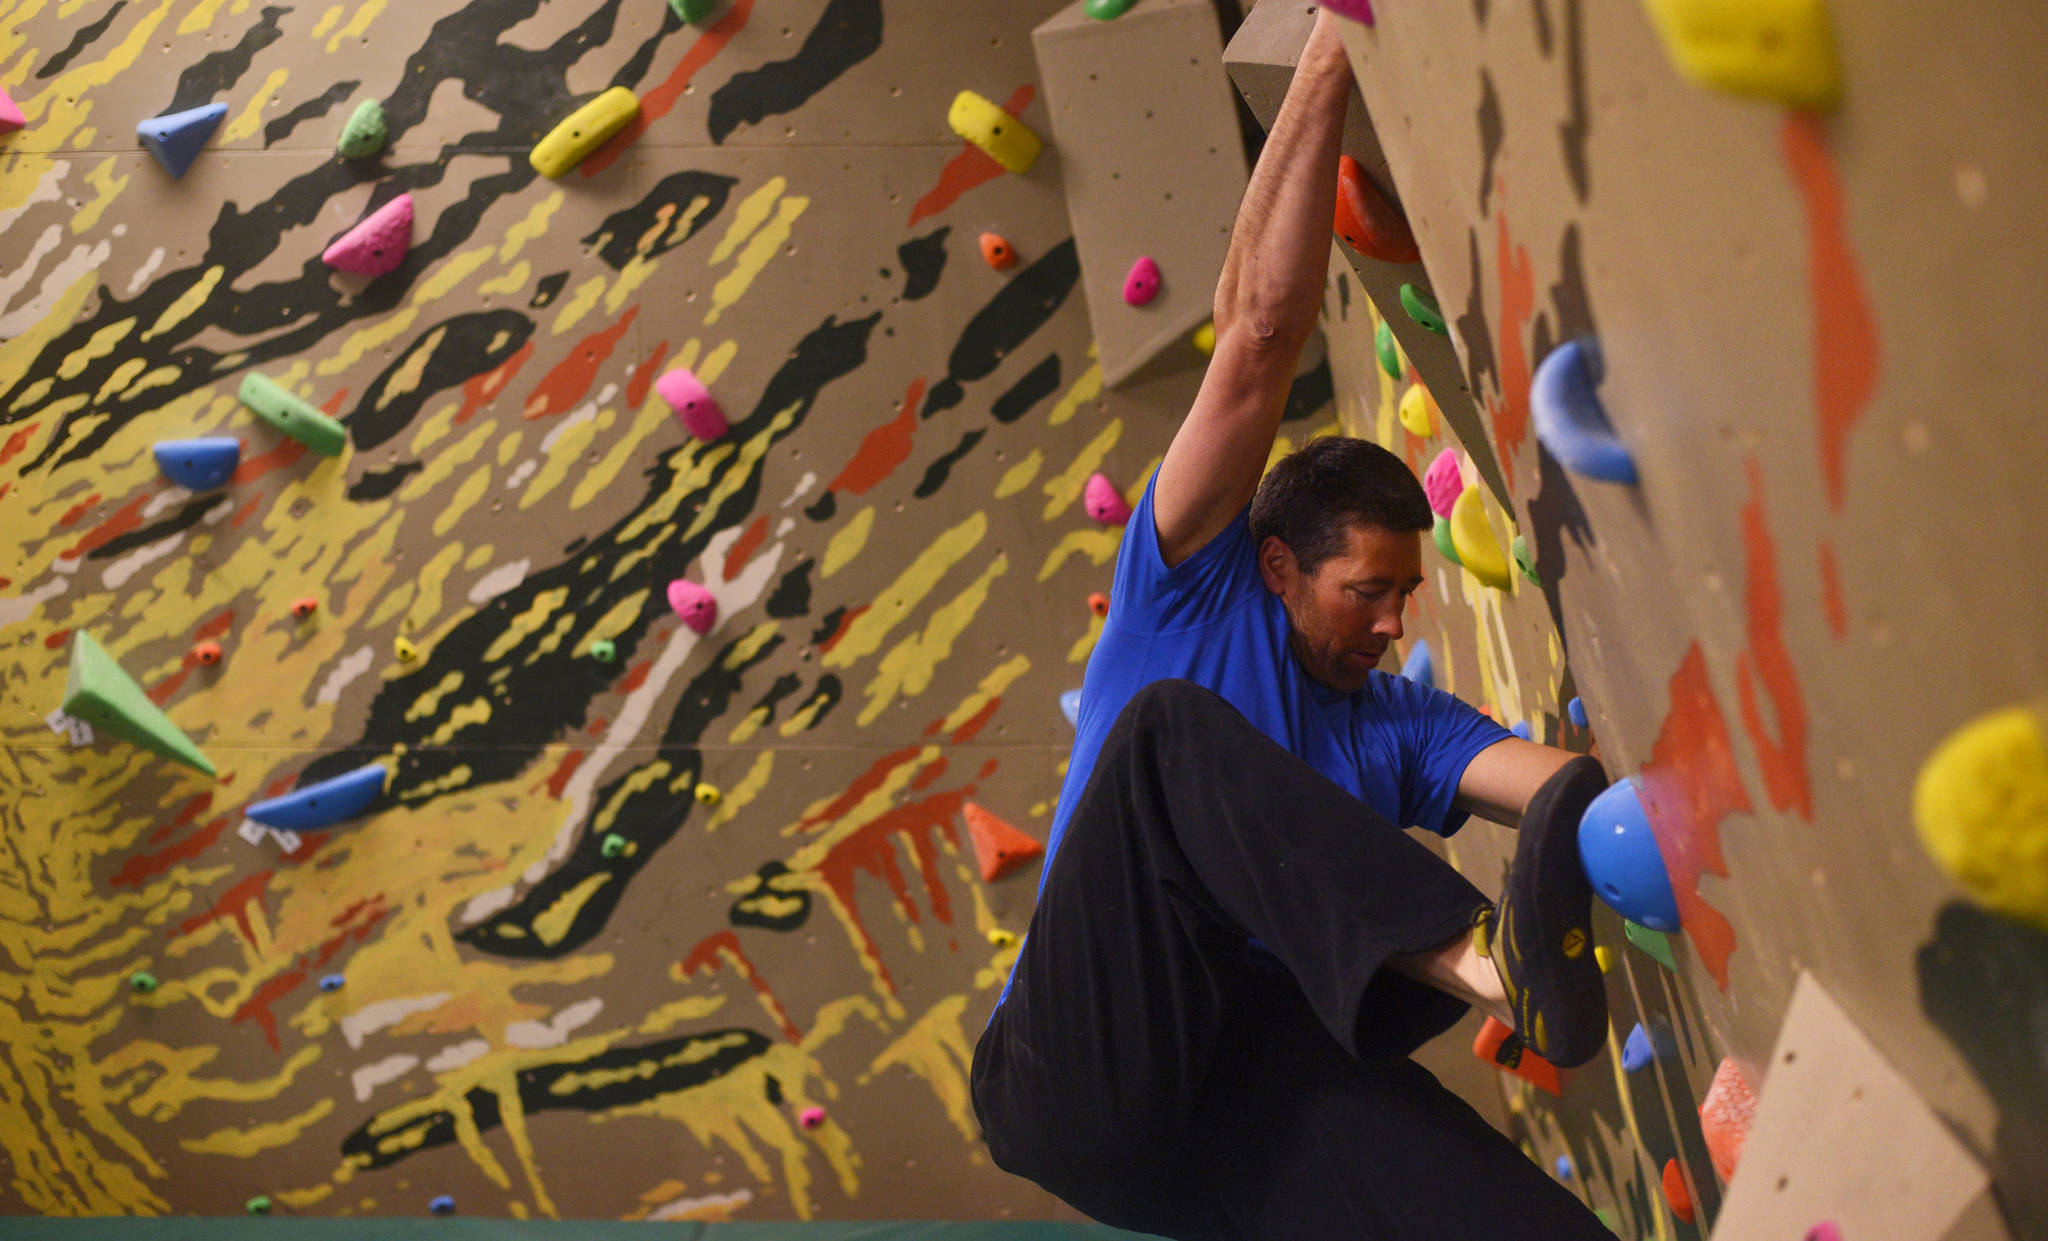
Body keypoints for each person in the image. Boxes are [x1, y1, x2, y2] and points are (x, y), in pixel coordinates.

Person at [969, 11, 1616, 1240]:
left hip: (1244, 1093)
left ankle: (1496, 976)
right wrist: (1330, 44)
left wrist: (1652, 809)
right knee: (1164, 734)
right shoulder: (1186, 591)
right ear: (1274, 564)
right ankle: (1483, 962)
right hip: (1078, 1070)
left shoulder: (1398, 722)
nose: (1387, 621)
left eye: (1401, 595)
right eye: (1360, 592)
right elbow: (1259, 333)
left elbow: (1555, 788)